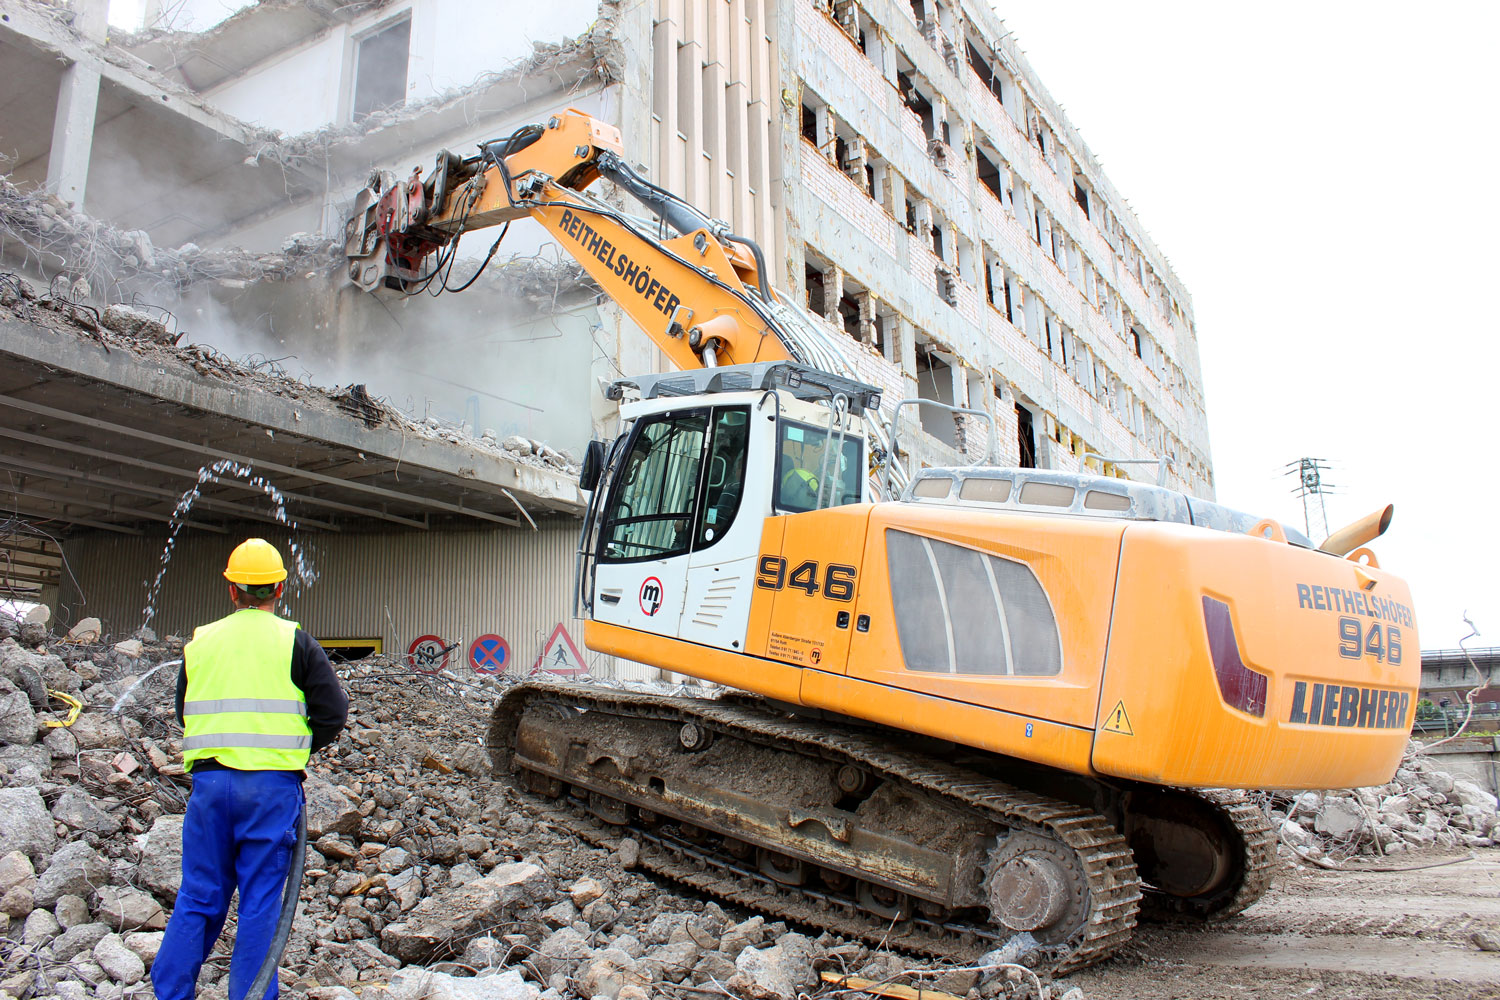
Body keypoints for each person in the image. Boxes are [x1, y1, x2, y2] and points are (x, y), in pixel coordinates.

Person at [153, 538, 348, 1000]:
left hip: (209, 784)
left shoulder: (199, 644)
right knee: (260, 902)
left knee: (200, 894)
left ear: (231, 591)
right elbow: (333, 712)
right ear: (279, 588)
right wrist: (292, 749)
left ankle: (171, 993)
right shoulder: (295, 641)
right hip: (270, 790)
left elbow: (187, 711)